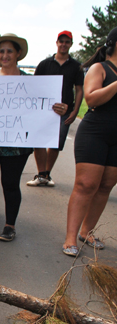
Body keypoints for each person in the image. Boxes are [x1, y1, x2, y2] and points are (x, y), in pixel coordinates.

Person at [0, 33, 66, 242]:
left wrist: (59, 109)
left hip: (17, 145)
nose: (5, 55)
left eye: (9, 51)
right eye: (1, 51)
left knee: (10, 184)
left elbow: (44, 108)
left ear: (18, 54)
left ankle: (10, 225)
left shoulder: (32, 83)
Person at [62, 28, 117, 256]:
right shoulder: (100, 68)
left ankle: (87, 232)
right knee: (86, 185)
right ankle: (70, 238)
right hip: (95, 132)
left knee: (105, 185)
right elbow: (92, 97)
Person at [28, 30, 85, 187]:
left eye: (67, 42)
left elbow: (79, 89)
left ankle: (47, 174)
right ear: (57, 43)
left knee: (55, 144)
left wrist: (74, 111)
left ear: (71, 44)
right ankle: (40, 174)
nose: (63, 44)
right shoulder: (45, 64)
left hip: (64, 112)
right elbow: (34, 86)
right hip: (43, 110)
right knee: (38, 141)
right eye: (61, 41)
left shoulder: (76, 66)